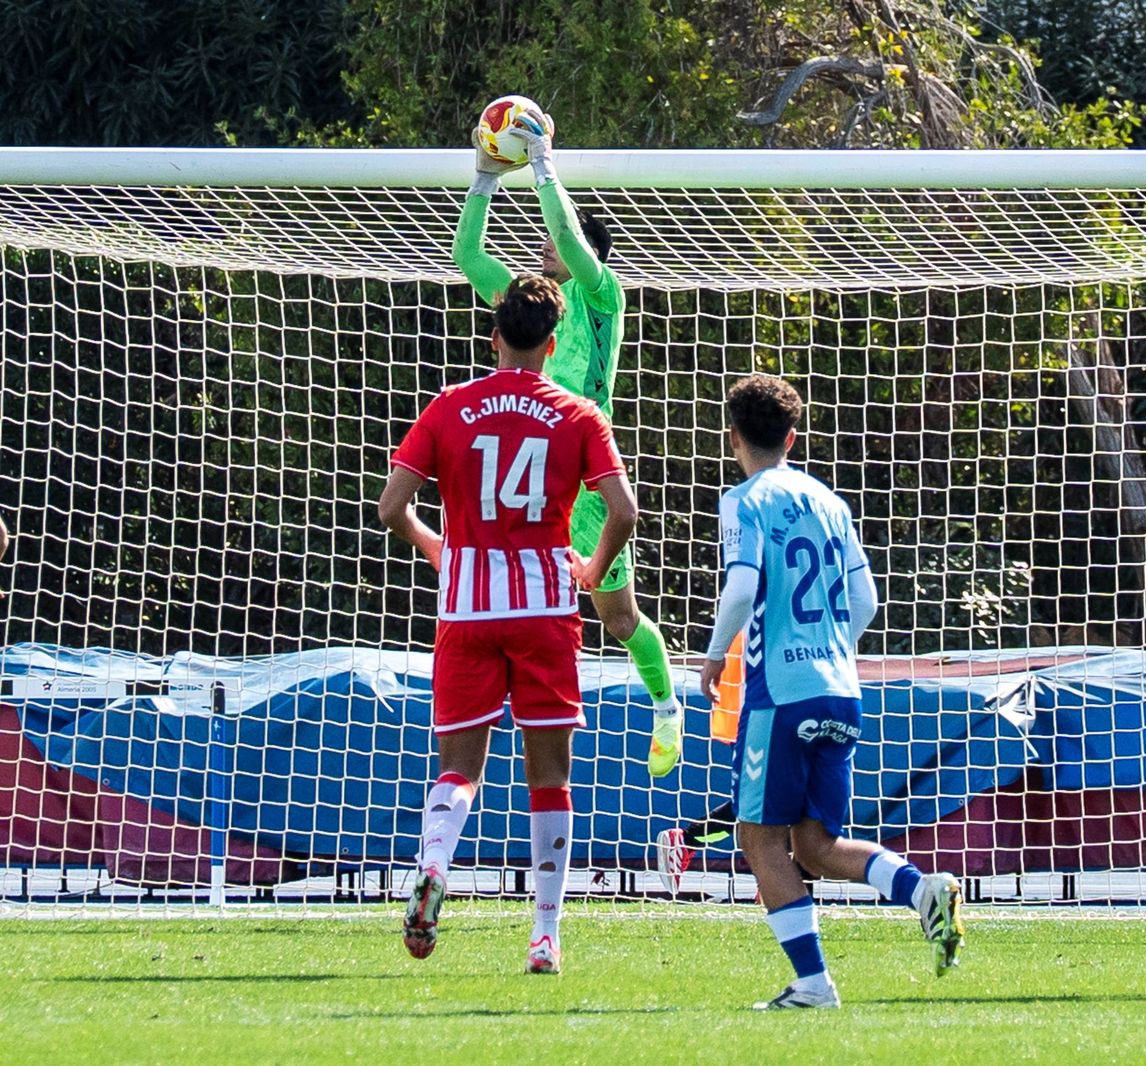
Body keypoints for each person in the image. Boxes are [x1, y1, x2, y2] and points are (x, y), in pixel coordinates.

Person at [378, 275, 638, 976]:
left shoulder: (451, 406)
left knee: (460, 768)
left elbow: (391, 504)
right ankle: (544, 936)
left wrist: (439, 548)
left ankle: (435, 863)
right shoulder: (577, 413)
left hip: (467, 606)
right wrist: (593, 569)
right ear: (552, 346)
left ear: (494, 338)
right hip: (544, 606)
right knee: (549, 775)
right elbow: (624, 511)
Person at [700, 374, 965, 1010]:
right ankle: (921, 889)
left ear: (732, 437)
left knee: (758, 837)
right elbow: (866, 600)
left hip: (780, 693)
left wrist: (714, 656)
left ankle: (814, 983)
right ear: (792, 437)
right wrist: (825, 649)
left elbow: (740, 588)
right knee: (815, 846)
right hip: (840, 688)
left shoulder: (745, 499)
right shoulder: (830, 502)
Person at [454, 101, 682, 778]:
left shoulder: (601, 293)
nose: (544, 244)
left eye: (557, 238)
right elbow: (467, 254)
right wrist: (486, 177)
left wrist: (544, 166)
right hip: (531, 475)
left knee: (617, 618)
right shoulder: (533, 301)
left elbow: (572, 241)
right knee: (517, 610)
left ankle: (667, 707)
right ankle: (511, 743)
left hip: (589, 476)